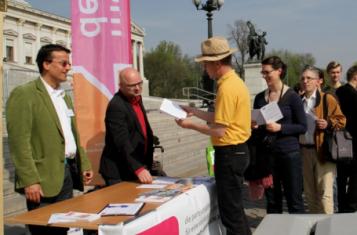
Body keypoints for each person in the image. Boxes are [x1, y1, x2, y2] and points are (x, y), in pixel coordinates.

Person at [6, 44, 93, 235]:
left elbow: (72, 135)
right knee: (44, 230)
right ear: (46, 64)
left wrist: (84, 163)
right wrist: (30, 180)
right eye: (63, 63)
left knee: (63, 228)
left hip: (67, 173)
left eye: (68, 63)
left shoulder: (64, 97)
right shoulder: (25, 94)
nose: (68, 68)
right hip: (42, 180)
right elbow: (20, 142)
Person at [175, 36, 252, 235]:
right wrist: (195, 112)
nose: (204, 69)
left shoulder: (226, 87)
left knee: (231, 214)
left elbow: (219, 129)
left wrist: (190, 125)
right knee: (235, 210)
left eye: (205, 65)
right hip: (237, 151)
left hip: (230, 153)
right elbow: (221, 118)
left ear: (216, 63)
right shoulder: (234, 82)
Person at [253, 56, 307, 214]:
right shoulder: (259, 98)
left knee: (294, 201)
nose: (264, 75)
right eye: (262, 72)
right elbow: (257, 125)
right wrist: (255, 125)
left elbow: (302, 126)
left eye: (267, 72)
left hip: (289, 155)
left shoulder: (292, 97)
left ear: (279, 71)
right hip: (268, 156)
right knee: (272, 202)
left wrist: (280, 127)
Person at [299, 65, 346, 214]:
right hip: (304, 151)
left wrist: (328, 123)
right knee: (309, 195)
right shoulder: (299, 101)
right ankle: (314, 228)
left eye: (309, 78)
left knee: (325, 195)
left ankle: (327, 228)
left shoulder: (327, 98)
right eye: (303, 78)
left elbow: (342, 120)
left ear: (318, 81)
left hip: (324, 151)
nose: (305, 81)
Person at [99, 67, 155, 186]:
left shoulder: (136, 98)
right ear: (121, 85)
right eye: (132, 85)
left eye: (139, 83)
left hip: (137, 164)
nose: (137, 88)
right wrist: (138, 168)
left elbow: (140, 127)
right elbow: (121, 141)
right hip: (119, 171)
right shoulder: (116, 106)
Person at [335, 65, 357, 212]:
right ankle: (352, 205)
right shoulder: (354, 95)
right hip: (353, 140)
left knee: (341, 176)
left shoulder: (338, 91)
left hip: (340, 139)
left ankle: (342, 206)